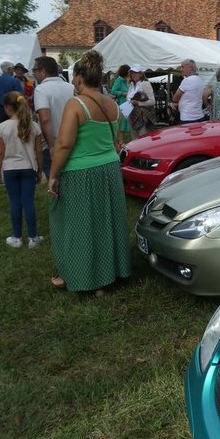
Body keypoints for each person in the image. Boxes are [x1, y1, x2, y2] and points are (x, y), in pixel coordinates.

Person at [48, 50, 131, 296]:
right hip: (109, 169)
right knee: (106, 224)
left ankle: (84, 278)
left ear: (79, 78)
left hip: (79, 173)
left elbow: (63, 145)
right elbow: (118, 141)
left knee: (77, 226)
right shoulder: (114, 105)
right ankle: (108, 276)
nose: (73, 82)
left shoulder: (76, 104)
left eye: (74, 78)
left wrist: (53, 175)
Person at [0, 91, 43, 249]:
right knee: (28, 202)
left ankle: (16, 238)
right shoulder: (34, 126)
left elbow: (0, 152)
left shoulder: (2, 127)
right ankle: (33, 238)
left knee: (15, 202)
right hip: (28, 168)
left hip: (10, 169)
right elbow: (39, 152)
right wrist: (39, 170)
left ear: (8, 107)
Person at [33, 56, 74, 179]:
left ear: (43, 72)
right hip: (73, 140)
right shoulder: (71, 88)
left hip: (54, 142)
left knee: (54, 180)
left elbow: (45, 120)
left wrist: (51, 145)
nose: (33, 73)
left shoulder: (41, 90)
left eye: (34, 70)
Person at [126, 64, 157, 138]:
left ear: (141, 74)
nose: (133, 74)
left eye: (136, 72)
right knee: (134, 137)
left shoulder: (145, 84)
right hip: (131, 113)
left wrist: (138, 103)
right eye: (132, 73)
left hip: (142, 115)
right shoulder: (131, 84)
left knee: (142, 137)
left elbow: (152, 101)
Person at [172, 58, 205, 123]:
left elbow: (175, 98)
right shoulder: (199, 80)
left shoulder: (187, 80)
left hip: (188, 118)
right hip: (198, 116)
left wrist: (175, 102)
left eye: (183, 67)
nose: (181, 69)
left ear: (191, 68)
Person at [110, 64, 131, 151]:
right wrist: (122, 93)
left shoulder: (127, 80)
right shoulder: (119, 80)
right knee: (122, 124)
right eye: (129, 71)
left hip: (128, 105)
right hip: (122, 105)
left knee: (126, 124)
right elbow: (113, 91)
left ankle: (123, 142)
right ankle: (121, 142)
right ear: (126, 72)